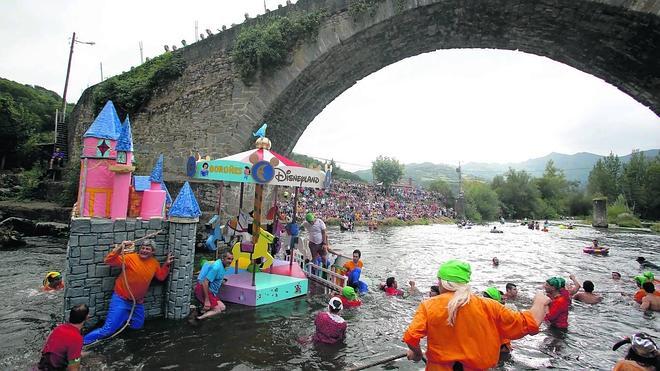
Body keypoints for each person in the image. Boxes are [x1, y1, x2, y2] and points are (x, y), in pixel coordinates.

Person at [403, 260, 549, 369]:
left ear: (443, 282)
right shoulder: (489, 306)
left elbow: (411, 337)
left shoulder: (429, 305)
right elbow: (528, 324)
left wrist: (416, 353)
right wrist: (540, 302)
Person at [83, 240, 173, 345]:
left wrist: (167, 264)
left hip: (137, 303)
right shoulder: (130, 258)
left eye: (147, 249)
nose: (144, 250)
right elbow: (109, 260)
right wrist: (120, 248)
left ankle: (124, 342)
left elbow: (161, 277)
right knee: (107, 330)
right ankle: (81, 343)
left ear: (153, 252)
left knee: (137, 326)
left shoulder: (154, 263)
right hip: (121, 299)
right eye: (143, 248)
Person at [38, 304, 89, 371]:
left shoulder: (58, 328)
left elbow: (44, 349)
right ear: (87, 317)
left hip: (42, 364)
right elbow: (73, 369)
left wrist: (78, 355)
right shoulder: (77, 339)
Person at [195, 252, 234, 320]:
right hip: (203, 289)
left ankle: (201, 311)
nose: (230, 261)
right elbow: (205, 282)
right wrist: (207, 300)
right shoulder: (216, 267)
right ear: (222, 258)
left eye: (232, 259)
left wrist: (221, 279)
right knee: (217, 310)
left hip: (211, 291)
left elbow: (212, 276)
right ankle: (198, 319)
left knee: (222, 307)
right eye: (228, 259)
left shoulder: (222, 265)